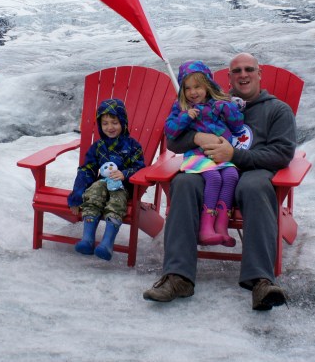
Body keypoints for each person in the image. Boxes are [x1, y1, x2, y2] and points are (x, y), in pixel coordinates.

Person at [143, 53, 297, 311]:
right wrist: (198, 138)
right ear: (228, 77)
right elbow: (174, 142)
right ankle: (178, 277)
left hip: (253, 172)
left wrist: (235, 155)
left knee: (255, 186)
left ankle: (260, 281)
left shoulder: (277, 110)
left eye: (249, 69)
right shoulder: (210, 103)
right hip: (210, 172)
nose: (243, 75)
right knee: (183, 184)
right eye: (237, 71)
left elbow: (282, 153)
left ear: (260, 74)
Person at [165, 61, 244, 247]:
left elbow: (238, 126)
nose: (193, 92)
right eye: (188, 88)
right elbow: (170, 131)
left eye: (198, 86)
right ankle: (206, 228)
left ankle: (222, 227)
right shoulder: (181, 108)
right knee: (215, 179)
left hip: (220, 155)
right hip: (197, 156)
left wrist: (228, 108)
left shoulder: (218, 104)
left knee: (232, 175)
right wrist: (185, 117)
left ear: (207, 85)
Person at [68, 99, 145, 261]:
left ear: (123, 122)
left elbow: (141, 167)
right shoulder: (98, 146)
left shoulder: (133, 146)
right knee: (94, 191)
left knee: (116, 200)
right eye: (105, 123)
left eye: (114, 122)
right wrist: (76, 196)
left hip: (122, 187)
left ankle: (107, 243)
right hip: (102, 185)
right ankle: (87, 240)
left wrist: (125, 173)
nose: (110, 127)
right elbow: (86, 169)